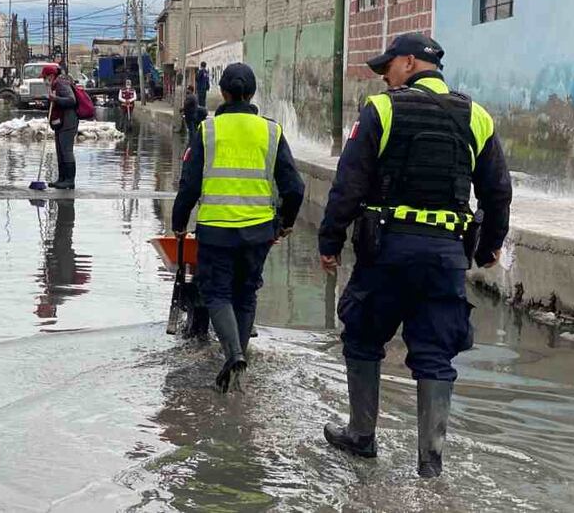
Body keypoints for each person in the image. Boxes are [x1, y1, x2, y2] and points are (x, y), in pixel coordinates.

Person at [319, 33, 512, 478]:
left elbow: (348, 185)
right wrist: (488, 248)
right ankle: (431, 461)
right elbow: (497, 191)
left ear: (409, 63)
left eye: (388, 66)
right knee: (435, 353)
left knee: (364, 338)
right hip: (445, 255)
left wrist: (329, 241)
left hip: (386, 251)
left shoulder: (381, 109)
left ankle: (362, 437)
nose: (385, 76)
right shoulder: (476, 115)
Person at [172, 63, 305, 392]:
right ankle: (240, 359)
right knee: (246, 294)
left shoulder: (207, 130)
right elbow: (294, 187)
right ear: (252, 93)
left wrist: (178, 224)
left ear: (224, 93)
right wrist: (285, 223)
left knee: (216, 293)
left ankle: (232, 355)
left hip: (216, 230)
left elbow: (188, 184)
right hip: (259, 231)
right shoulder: (271, 131)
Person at [43, 63, 78, 189]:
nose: (44, 80)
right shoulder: (54, 84)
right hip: (60, 123)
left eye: (45, 77)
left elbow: (71, 100)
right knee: (60, 151)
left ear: (51, 75)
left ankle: (69, 180)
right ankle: (61, 178)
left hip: (68, 123)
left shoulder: (61, 83)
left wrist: (56, 99)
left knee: (66, 151)